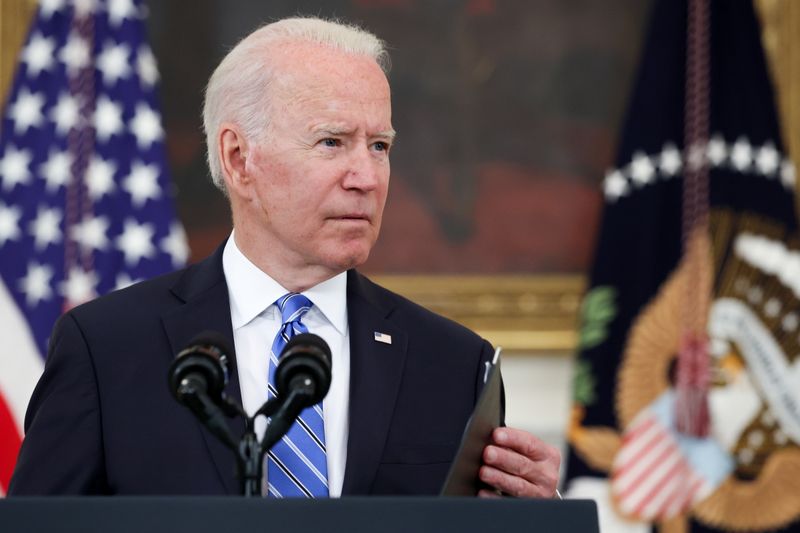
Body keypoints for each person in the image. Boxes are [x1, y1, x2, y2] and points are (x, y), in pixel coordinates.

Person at [9, 17, 560, 498]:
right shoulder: (106, 348)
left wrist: (532, 522)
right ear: (238, 159)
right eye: (332, 143)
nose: (367, 178)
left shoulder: (454, 365)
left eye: (380, 146)